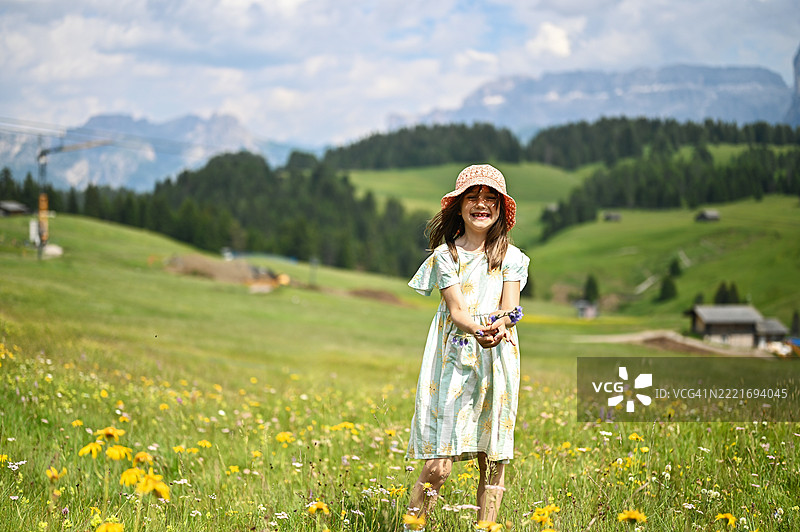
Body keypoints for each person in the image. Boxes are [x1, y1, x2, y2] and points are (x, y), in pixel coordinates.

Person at [404, 164, 530, 530]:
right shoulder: (446, 257)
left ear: (500, 210)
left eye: (490, 198)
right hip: (455, 359)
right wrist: (479, 329)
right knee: (439, 464)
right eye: (473, 197)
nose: (481, 204)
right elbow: (457, 310)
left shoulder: (513, 258)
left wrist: (501, 325)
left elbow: (510, 308)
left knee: (492, 460)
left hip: (498, 359)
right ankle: (412, 525)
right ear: (458, 207)